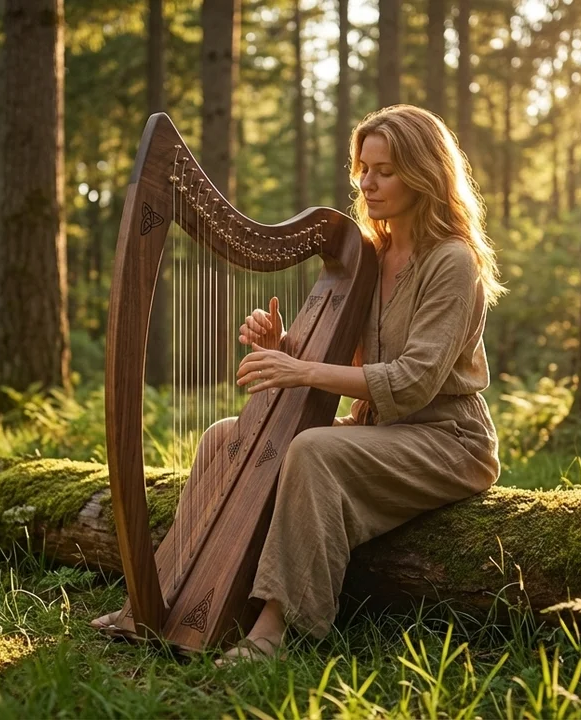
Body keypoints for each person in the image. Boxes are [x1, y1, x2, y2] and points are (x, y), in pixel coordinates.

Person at [92, 104, 504, 662]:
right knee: (221, 437)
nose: (368, 181)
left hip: (447, 439)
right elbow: (347, 355)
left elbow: (413, 382)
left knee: (312, 450)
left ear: (424, 172)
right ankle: (153, 603)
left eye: (385, 169)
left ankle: (277, 631)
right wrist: (281, 347)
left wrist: (302, 370)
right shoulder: (368, 257)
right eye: (363, 167)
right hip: (379, 431)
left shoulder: (452, 261)